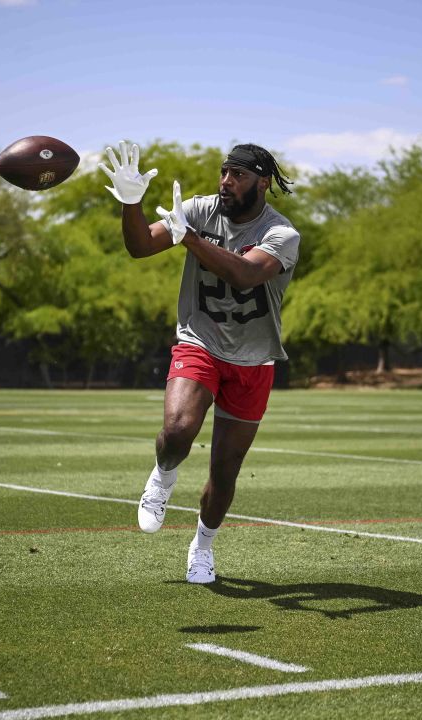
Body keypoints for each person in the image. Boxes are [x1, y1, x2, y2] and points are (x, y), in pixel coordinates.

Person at [100, 140, 299, 584]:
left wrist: (186, 237)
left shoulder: (282, 233)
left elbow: (245, 275)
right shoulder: (199, 209)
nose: (226, 182)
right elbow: (139, 247)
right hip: (200, 341)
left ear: (262, 183)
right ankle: (163, 476)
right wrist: (131, 204)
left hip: (253, 359)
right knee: (176, 431)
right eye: (224, 172)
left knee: (224, 470)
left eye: (238, 175)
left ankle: (202, 547)